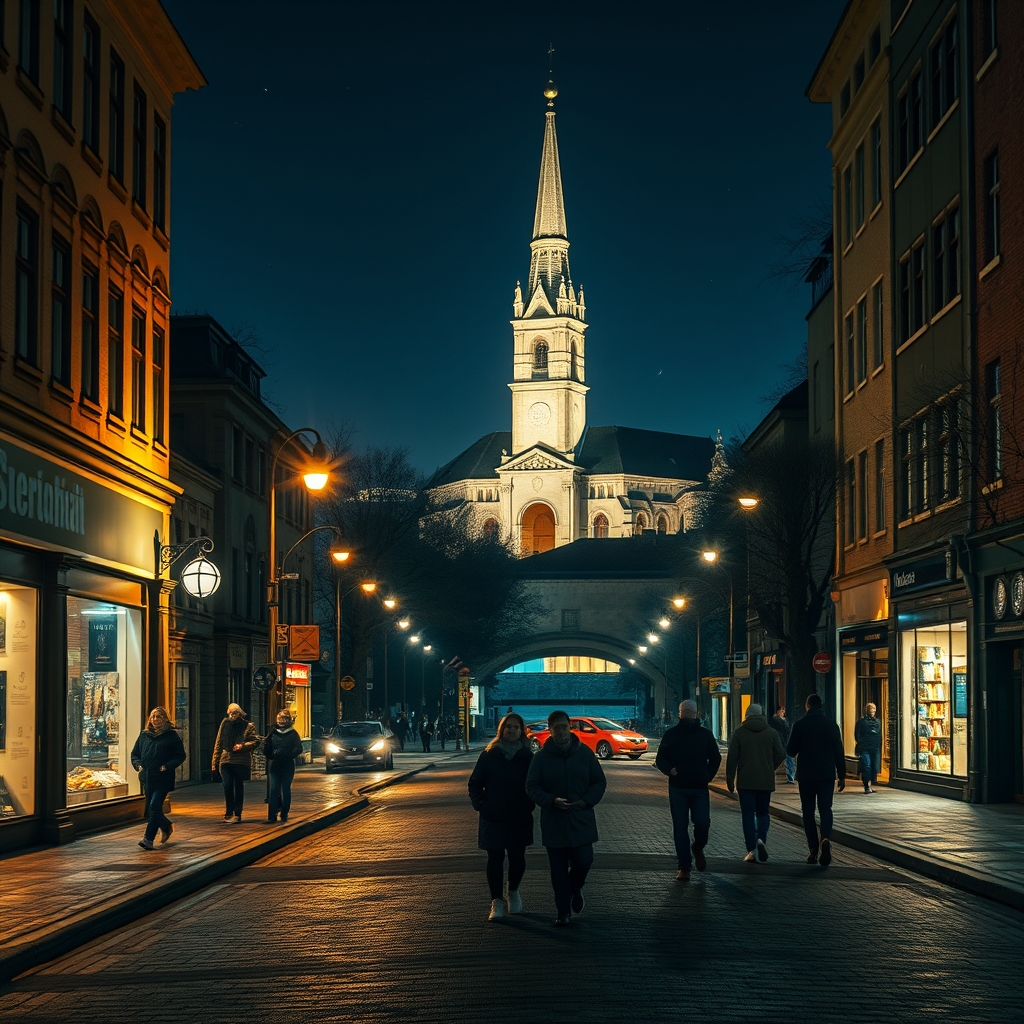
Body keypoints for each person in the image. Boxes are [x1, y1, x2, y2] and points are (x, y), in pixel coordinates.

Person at [526, 709, 607, 926]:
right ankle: (563, 911)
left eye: (563, 727)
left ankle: (575, 887)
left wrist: (586, 801)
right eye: (556, 728)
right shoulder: (541, 758)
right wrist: (551, 800)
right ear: (550, 730)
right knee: (558, 870)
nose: (561, 731)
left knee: (585, 860)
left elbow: (598, 781)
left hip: (581, 819)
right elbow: (531, 786)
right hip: (555, 822)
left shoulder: (585, 753)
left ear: (569, 726)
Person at [467, 712, 535, 921]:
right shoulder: (489, 754)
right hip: (493, 816)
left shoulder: (527, 756)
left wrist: (529, 804)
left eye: (515, 727)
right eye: (508, 727)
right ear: (501, 730)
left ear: (521, 731)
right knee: (495, 858)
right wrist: (482, 806)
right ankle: (496, 901)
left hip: (519, 816)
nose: (511, 731)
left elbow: (535, 784)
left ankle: (513, 891)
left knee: (517, 858)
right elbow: (474, 784)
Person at [655, 699, 722, 880]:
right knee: (684, 826)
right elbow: (661, 759)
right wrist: (670, 770)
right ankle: (684, 864)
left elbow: (715, 758)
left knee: (698, 823)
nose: (688, 715)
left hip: (690, 786)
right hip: (684, 787)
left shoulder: (701, 735)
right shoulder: (676, 734)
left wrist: (671, 770)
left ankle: (695, 851)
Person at [787, 692, 846, 866]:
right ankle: (825, 837)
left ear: (808, 706)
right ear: (821, 707)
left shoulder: (799, 725)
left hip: (806, 775)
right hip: (826, 774)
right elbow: (839, 752)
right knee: (825, 808)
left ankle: (813, 849)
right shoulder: (831, 726)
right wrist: (842, 775)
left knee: (808, 811)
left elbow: (790, 750)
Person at [725, 703, 785, 864]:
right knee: (763, 813)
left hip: (745, 782)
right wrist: (770, 767)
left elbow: (732, 758)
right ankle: (761, 839)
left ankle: (751, 849)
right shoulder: (771, 733)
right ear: (762, 715)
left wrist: (730, 779)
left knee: (748, 814)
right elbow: (781, 753)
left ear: (747, 715)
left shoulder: (739, 733)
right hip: (765, 780)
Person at [131, 707, 186, 850]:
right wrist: (138, 766)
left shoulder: (171, 736)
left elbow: (180, 756)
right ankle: (166, 826)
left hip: (163, 778)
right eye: (153, 717)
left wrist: (167, 766)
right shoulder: (144, 735)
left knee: (155, 805)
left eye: (159, 717)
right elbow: (135, 754)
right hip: (147, 778)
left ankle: (148, 839)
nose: (155, 719)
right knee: (152, 808)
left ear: (165, 719)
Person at [211, 702, 260, 823]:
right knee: (227, 785)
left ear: (240, 713)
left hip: (240, 761)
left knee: (238, 786)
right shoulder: (225, 724)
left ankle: (237, 813)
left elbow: (255, 741)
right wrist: (214, 763)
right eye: (230, 713)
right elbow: (218, 743)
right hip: (225, 760)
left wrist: (242, 746)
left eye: (234, 713)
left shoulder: (248, 726)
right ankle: (229, 811)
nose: (232, 715)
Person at [263, 710, 303, 823]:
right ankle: (272, 816)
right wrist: (270, 755)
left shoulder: (293, 734)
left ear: (289, 720)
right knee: (273, 789)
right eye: (280, 719)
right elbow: (266, 746)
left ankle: (284, 813)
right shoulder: (273, 732)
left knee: (285, 789)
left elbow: (299, 748)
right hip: (275, 764)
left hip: (287, 764)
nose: (282, 721)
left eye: (285, 719)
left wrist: (289, 755)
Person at [854, 702, 882, 793]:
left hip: (874, 747)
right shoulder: (861, 722)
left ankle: (869, 784)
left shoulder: (877, 722)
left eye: (873, 710)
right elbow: (857, 735)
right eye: (870, 710)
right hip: (865, 748)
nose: (872, 711)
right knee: (867, 765)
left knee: (873, 767)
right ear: (866, 711)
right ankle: (866, 785)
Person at [770, 706, 795, 784]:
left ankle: (790, 777)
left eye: (784, 710)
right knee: (787, 759)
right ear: (777, 711)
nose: (783, 712)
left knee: (789, 760)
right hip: (783, 742)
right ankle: (790, 777)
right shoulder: (776, 721)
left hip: (785, 742)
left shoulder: (785, 720)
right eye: (781, 710)